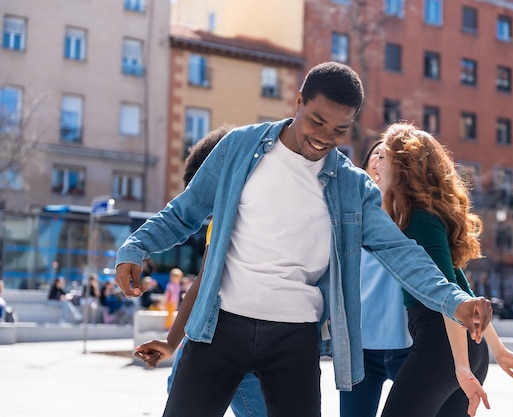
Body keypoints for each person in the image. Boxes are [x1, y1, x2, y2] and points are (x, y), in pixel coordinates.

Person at [115, 62, 492, 417]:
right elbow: (184, 212)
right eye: (317, 121)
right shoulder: (239, 149)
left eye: (340, 130)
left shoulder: (351, 186)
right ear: (299, 100)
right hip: (219, 329)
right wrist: (135, 247)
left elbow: (399, 252)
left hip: (293, 341)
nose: (325, 138)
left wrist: (453, 300)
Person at [370, 123, 513, 417]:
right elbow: (464, 292)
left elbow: (450, 298)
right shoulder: (421, 217)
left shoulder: (421, 220)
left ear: (403, 166)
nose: (376, 162)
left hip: (443, 348)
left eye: (383, 155)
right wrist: (498, 350)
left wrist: (460, 365)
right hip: (462, 351)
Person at [136, 125, 268, 417]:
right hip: (242, 344)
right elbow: (203, 281)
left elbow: (203, 282)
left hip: (222, 344)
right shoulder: (232, 218)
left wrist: (173, 342)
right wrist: (173, 342)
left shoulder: (230, 217)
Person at [339, 141, 412, 417]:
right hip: (360, 349)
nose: (380, 160)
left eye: (388, 156)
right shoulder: (348, 213)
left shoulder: (413, 217)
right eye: (376, 154)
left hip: (407, 346)